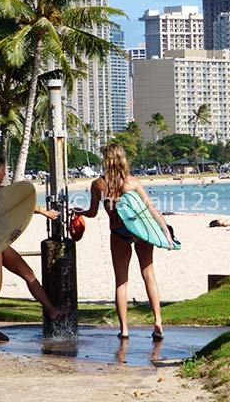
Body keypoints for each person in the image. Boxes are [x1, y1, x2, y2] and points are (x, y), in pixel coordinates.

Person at [73, 143, 171, 340]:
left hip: (118, 232)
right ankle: (158, 321)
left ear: (106, 160)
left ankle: (124, 329)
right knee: (148, 275)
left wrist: (78, 211)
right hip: (140, 232)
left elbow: (92, 213)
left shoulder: (98, 185)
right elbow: (150, 208)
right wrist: (165, 230)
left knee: (121, 281)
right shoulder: (133, 182)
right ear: (123, 160)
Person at [0, 155, 65, 341]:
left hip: (2, 243)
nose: (4, 174)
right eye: (2, 170)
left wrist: (45, 213)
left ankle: (52, 311)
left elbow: (24, 204)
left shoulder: (1, 191)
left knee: (28, 274)